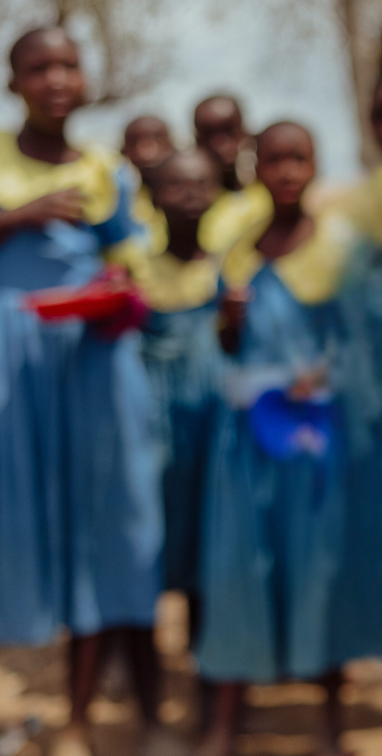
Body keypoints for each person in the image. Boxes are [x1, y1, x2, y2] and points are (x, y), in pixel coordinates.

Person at [0, 27, 167, 756]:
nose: (56, 79)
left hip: (86, 367)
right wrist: (15, 219)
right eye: (39, 67)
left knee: (92, 529)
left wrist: (117, 293)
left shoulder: (107, 174)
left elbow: (130, 274)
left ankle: (79, 724)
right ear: (13, 82)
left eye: (68, 65)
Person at [196, 122, 382, 756]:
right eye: (275, 159)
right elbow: (226, 347)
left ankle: (331, 722)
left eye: (299, 159)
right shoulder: (237, 248)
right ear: (255, 167)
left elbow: (368, 344)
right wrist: (229, 323)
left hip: (317, 440)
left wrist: (329, 378)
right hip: (249, 441)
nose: (287, 171)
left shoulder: (343, 247)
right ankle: (227, 723)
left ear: (315, 166)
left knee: (321, 567)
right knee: (240, 567)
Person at [135, 150, 226, 619]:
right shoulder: (137, 269)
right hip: (154, 424)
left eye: (201, 183)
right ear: (151, 196)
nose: (190, 195)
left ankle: (205, 651)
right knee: (152, 525)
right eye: (175, 185)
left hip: (211, 421)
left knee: (209, 524)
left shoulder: (227, 269)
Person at [195, 95, 269, 252]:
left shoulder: (272, 195)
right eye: (208, 134)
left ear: (246, 132)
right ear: (196, 139)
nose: (220, 145)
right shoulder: (188, 206)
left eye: (230, 131)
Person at [122, 114, 178, 237]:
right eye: (134, 142)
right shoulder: (121, 206)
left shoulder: (196, 200)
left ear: (172, 144)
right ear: (123, 151)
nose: (145, 152)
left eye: (156, 139)